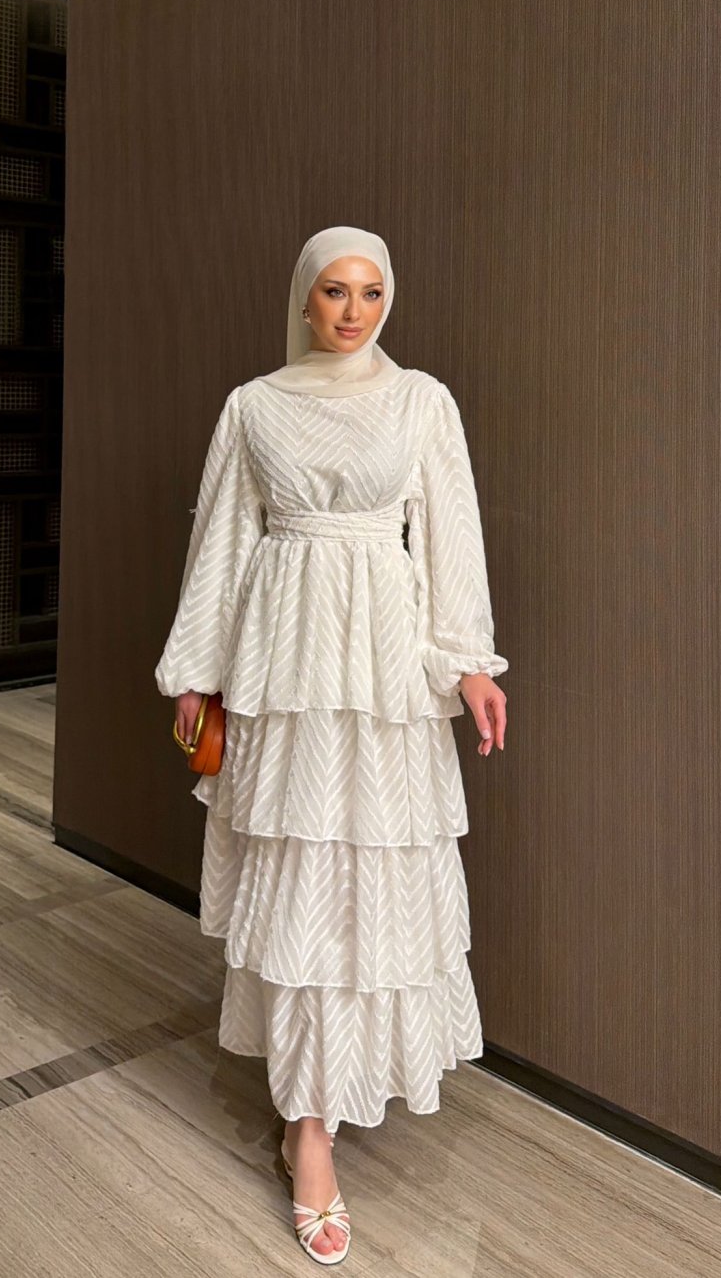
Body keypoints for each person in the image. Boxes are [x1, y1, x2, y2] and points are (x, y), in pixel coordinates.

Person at [154, 224, 508, 1264]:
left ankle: (342, 1079)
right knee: (301, 873)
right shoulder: (253, 406)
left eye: (372, 292)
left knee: (373, 873)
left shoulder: (421, 401)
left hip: (384, 671)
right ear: (304, 297)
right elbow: (222, 539)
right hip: (284, 663)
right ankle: (309, 1129)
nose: (354, 311)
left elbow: (451, 537)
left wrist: (470, 662)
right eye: (335, 291)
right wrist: (197, 669)